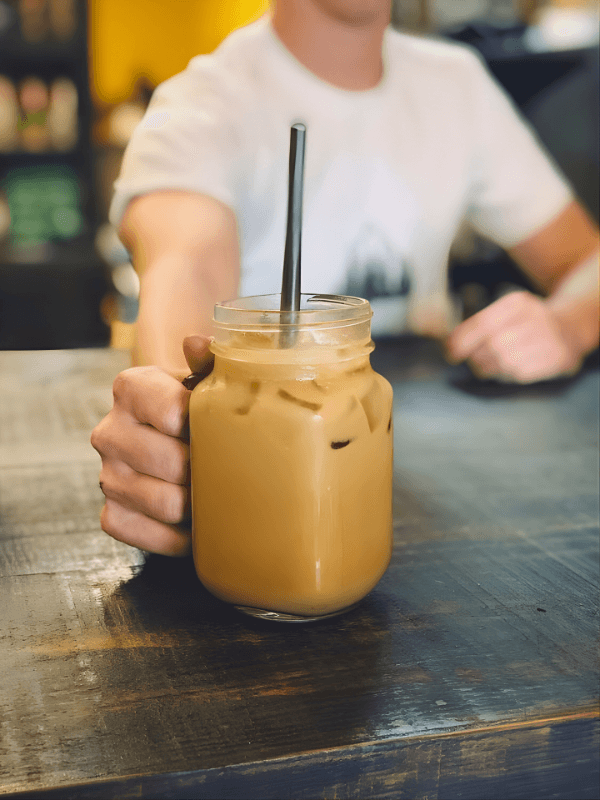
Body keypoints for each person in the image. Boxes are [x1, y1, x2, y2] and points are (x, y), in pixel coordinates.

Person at [91, 0, 600, 558]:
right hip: (270, 492)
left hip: (435, 498)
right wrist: (170, 429)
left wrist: (569, 324)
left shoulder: (456, 85)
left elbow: (586, 260)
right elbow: (187, 267)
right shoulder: (199, 108)